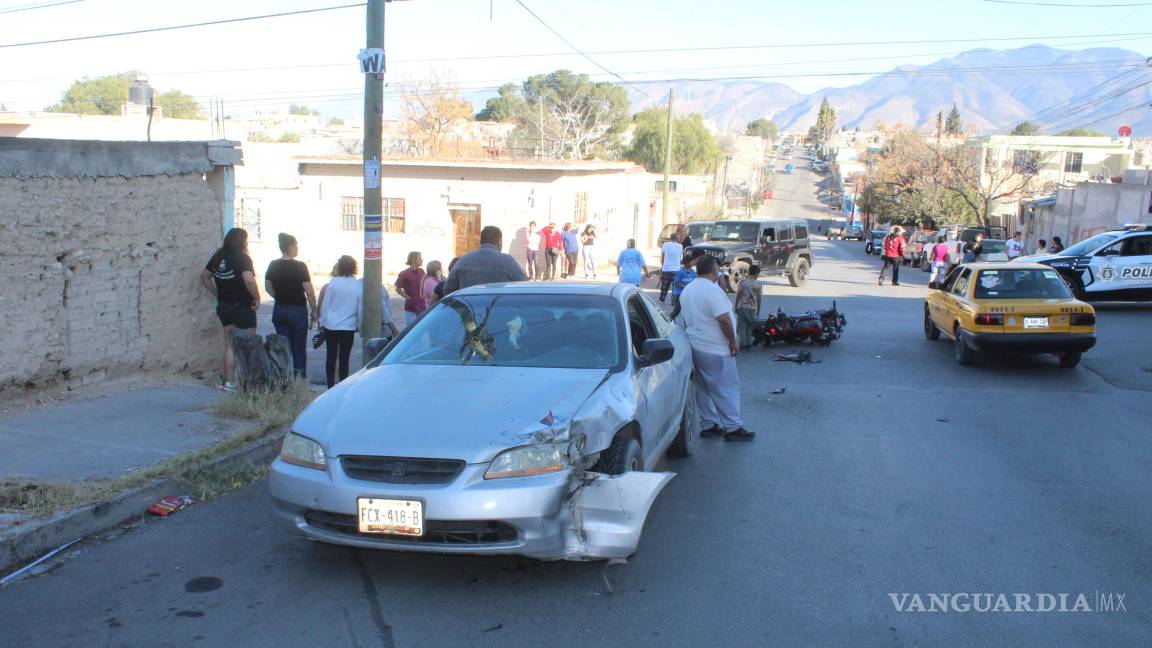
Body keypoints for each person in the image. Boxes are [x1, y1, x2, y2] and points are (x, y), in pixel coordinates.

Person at [678, 255, 754, 442]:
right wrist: (733, 342)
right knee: (726, 388)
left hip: (697, 346)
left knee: (703, 388)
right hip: (716, 348)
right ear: (714, 270)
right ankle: (733, 427)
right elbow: (724, 319)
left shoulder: (689, 289)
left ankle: (709, 424)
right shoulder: (711, 290)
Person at [200, 227, 260, 392]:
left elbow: (204, 276)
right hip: (242, 306)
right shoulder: (243, 258)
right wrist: (256, 297)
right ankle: (250, 382)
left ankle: (229, 383)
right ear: (242, 241)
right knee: (250, 343)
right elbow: (248, 280)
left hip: (224, 306)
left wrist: (216, 293)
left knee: (230, 345)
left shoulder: (218, 256)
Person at [264, 233, 316, 379]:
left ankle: (283, 381)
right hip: (297, 310)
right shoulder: (300, 266)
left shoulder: (273, 265)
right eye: (296, 245)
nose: (297, 248)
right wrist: (314, 310)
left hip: (279, 309)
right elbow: (309, 292)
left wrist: (279, 296)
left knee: (282, 347)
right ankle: (299, 382)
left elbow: (268, 287)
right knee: (299, 348)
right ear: (291, 247)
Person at [317, 255, 361, 389]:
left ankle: (330, 384)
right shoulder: (357, 285)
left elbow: (326, 305)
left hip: (331, 324)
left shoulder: (333, 283)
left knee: (331, 355)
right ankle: (342, 384)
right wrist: (358, 324)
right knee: (344, 357)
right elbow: (360, 307)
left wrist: (322, 321)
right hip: (348, 326)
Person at [442, 226, 528, 294]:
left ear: (481, 241)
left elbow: (447, 290)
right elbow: (524, 286)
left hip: (471, 313)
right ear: (499, 242)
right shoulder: (508, 261)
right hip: (500, 312)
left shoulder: (463, 260)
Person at [394, 251, 426, 328]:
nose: (422, 260)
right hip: (411, 306)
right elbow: (398, 288)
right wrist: (408, 298)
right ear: (413, 260)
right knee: (411, 328)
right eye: (420, 258)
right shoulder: (404, 274)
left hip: (422, 305)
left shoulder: (422, 271)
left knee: (421, 329)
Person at [734, 264, 762, 351]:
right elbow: (759, 299)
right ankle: (749, 344)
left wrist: (736, 306)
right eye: (758, 274)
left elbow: (738, 295)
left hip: (742, 307)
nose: (758, 276)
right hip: (752, 309)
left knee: (742, 326)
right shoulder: (758, 285)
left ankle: (743, 344)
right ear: (756, 273)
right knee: (750, 326)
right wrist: (758, 311)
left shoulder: (742, 283)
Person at [669, 252, 699, 320]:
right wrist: (684, 287)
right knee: (678, 309)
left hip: (688, 294)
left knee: (687, 310)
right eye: (692, 261)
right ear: (687, 262)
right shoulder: (680, 271)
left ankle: (687, 324)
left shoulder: (693, 272)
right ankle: (671, 317)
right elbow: (676, 282)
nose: (694, 262)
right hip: (679, 294)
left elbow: (695, 281)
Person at [659, 226, 685, 302]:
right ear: (676, 239)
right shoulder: (680, 246)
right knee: (675, 286)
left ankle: (662, 299)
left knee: (664, 285)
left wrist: (662, 266)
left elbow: (663, 257)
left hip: (666, 268)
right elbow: (680, 257)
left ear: (670, 238)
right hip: (676, 269)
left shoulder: (665, 244)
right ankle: (673, 300)